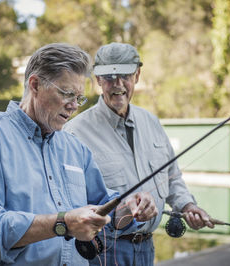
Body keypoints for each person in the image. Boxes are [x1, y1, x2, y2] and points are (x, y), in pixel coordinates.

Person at [0, 43, 158, 265]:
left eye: (79, 98)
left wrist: (130, 207)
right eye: (67, 94)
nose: (73, 106)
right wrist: (63, 223)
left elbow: (102, 207)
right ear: (35, 85)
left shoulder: (75, 148)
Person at [64, 42, 214, 265]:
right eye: (108, 77)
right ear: (97, 80)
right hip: (104, 251)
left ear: (137, 75)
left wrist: (187, 206)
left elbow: (173, 177)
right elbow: (69, 206)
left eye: (125, 75)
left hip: (147, 249)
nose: (117, 85)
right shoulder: (74, 133)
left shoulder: (151, 122)